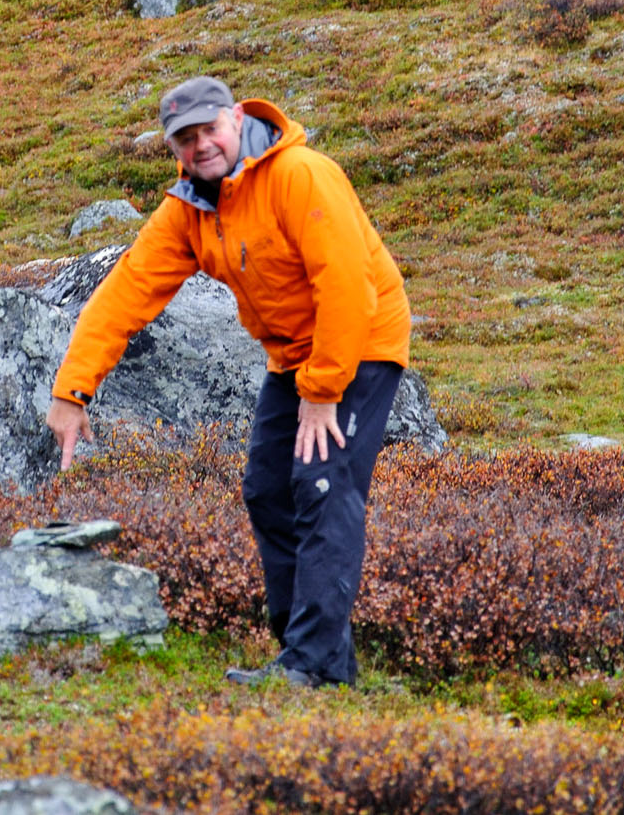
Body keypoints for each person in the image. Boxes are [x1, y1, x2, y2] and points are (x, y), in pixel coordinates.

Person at [46, 75, 413, 687]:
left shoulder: (301, 174)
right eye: (184, 139)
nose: (200, 147)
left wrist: (322, 394)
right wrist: (71, 389)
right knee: (267, 489)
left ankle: (313, 667)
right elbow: (128, 290)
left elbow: (349, 287)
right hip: (292, 356)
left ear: (237, 118)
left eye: (209, 130)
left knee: (322, 484)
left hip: (361, 342)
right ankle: (312, 655)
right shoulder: (190, 208)